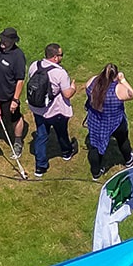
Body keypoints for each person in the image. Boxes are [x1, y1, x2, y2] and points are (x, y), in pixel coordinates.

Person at [27, 43, 78, 177]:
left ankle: (40, 166)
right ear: (55, 57)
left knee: (41, 135)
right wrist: (73, 87)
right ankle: (66, 152)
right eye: (61, 55)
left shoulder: (34, 65)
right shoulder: (60, 73)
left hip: (38, 109)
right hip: (55, 111)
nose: (62, 57)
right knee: (61, 132)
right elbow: (67, 94)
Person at [84, 64, 133, 179]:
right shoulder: (118, 89)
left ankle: (96, 172)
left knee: (94, 146)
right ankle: (128, 159)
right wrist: (122, 80)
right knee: (122, 140)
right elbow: (131, 93)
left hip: (96, 121)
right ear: (115, 76)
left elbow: (87, 86)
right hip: (115, 122)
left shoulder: (93, 82)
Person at [0, 27, 26, 157]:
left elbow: (20, 80)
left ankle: (18, 142)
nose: (2, 41)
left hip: (8, 95)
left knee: (14, 118)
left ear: (13, 41)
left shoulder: (18, 56)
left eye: (5, 40)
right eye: (2, 38)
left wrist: (15, 100)